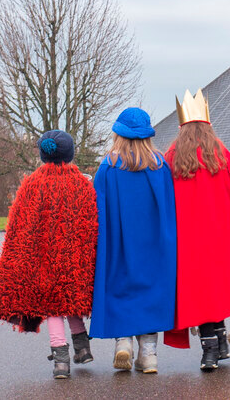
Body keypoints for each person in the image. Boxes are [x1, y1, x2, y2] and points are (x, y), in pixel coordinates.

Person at [0, 130, 98, 380]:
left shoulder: (31, 184)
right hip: (74, 260)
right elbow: (92, 223)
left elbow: (20, 227)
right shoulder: (81, 184)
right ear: (70, 155)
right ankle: (82, 348)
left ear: (43, 155)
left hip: (43, 262)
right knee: (70, 299)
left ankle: (61, 360)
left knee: (52, 307)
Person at [163, 89, 230, 371]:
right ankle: (221, 342)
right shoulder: (220, 152)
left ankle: (210, 350)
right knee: (217, 289)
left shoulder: (172, 155)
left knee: (198, 292)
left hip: (188, 238)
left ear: (181, 127)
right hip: (221, 235)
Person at [89, 108, 177, 374]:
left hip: (118, 245)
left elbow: (97, 210)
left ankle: (123, 343)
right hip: (153, 247)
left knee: (119, 289)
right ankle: (148, 354)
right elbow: (170, 208)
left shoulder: (108, 167)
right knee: (151, 294)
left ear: (119, 135)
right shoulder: (160, 166)